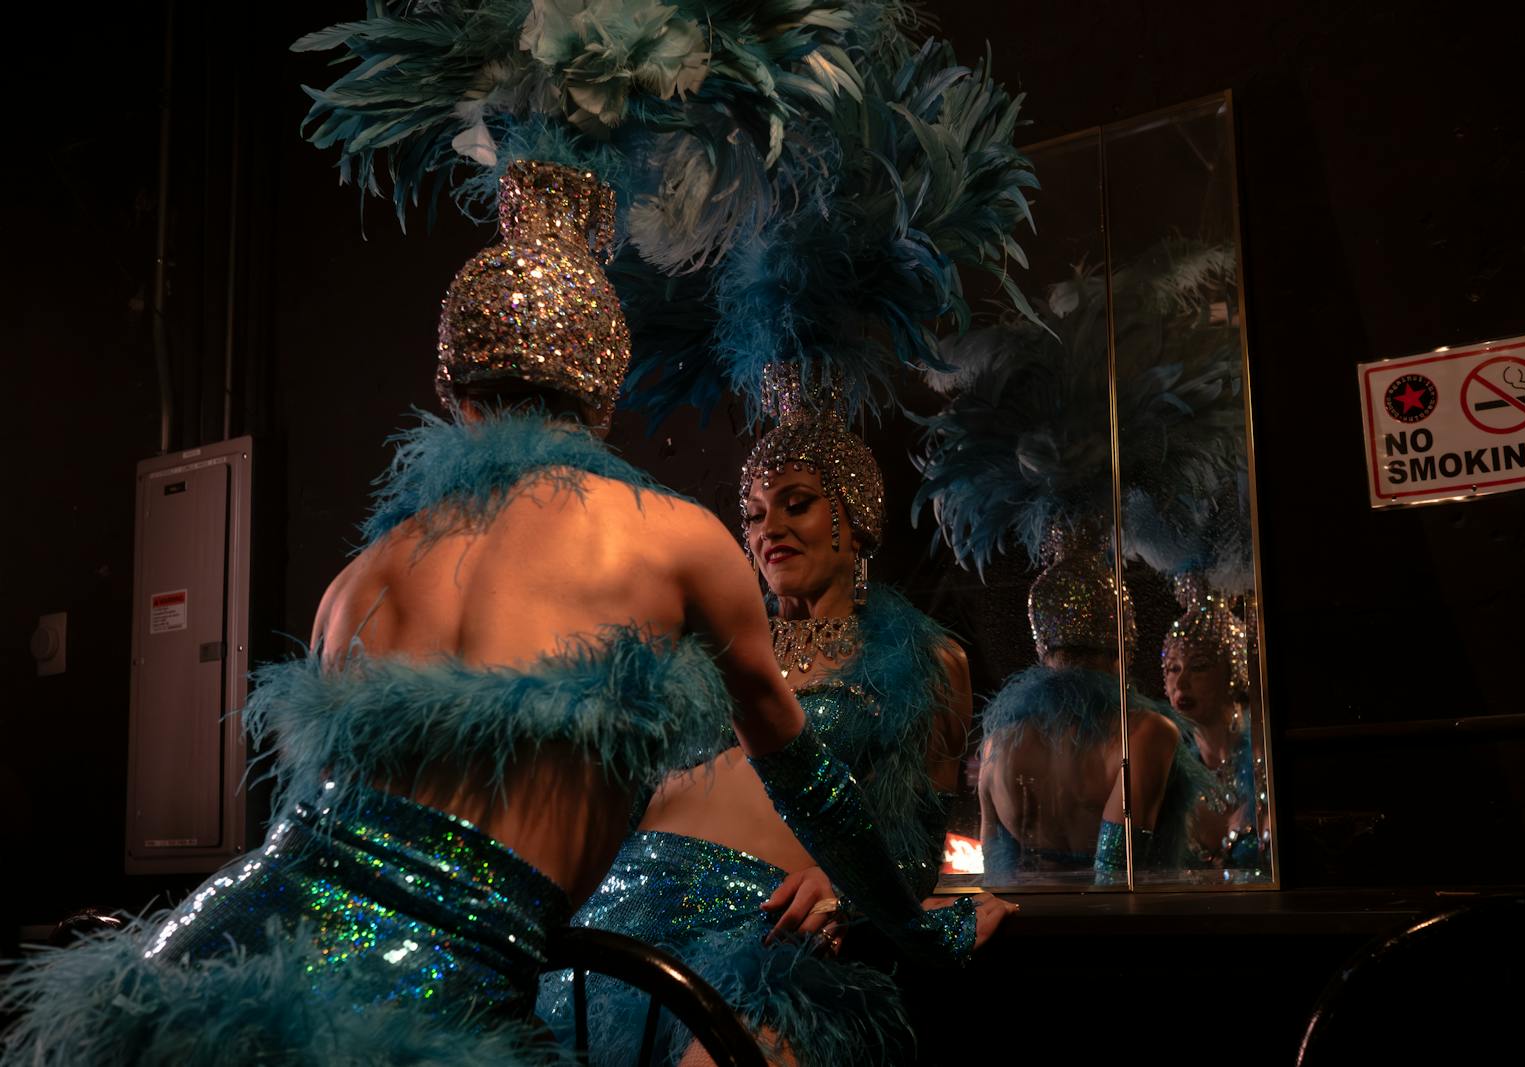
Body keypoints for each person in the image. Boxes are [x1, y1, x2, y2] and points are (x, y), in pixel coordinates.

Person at [0, 163, 973, 1065]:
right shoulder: (675, 541)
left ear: (450, 391)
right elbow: (809, 786)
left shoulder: (363, 575)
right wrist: (926, 923)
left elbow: (309, 817)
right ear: (602, 392)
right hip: (426, 1004)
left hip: (210, 954)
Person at [539, 368, 1013, 1065]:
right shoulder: (708, 651)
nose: (771, 529)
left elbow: (914, 839)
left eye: (797, 503)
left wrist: (846, 888)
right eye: (755, 514)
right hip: (619, 921)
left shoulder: (927, 661)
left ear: (854, 519)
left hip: (759, 941)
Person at [978, 523, 1202, 884]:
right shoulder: (1144, 733)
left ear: (1042, 648)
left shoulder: (997, 743)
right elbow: (1115, 872)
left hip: (1022, 930)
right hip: (1104, 930)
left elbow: (995, 873)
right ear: (1123, 647)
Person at [1161, 578, 1265, 870]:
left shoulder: (1265, 758)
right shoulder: (1170, 775)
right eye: (1173, 669)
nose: (1181, 683)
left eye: (1200, 666)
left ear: (1234, 673)